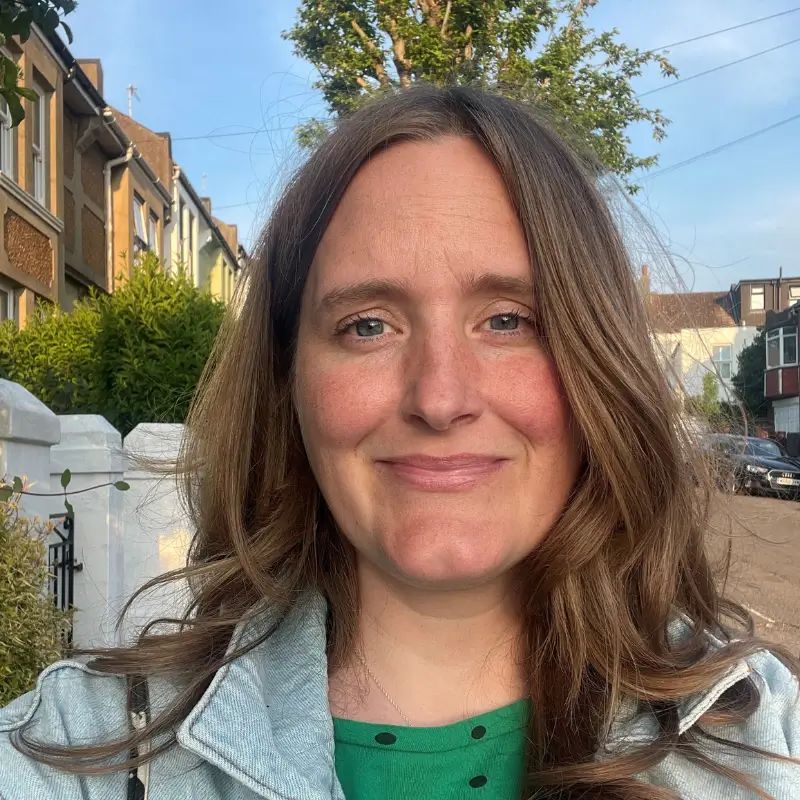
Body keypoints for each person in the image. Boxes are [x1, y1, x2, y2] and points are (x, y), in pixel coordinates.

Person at [1, 86, 798, 800]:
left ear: (597, 360)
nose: (440, 397)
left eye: (510, 320)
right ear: (289, 384)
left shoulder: (767, 737)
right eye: (368, 325)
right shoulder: (82, 754)